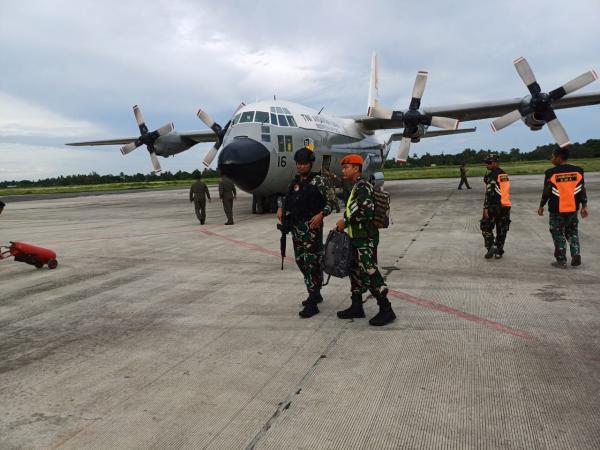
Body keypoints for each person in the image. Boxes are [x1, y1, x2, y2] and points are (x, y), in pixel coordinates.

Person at [335, 154, 396, 326]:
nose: (343, 170)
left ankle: (386, 309)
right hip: (356, 238)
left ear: (356, 168)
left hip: (365, 239)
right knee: (355, 272)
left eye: (346, 167)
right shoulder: (356, 186)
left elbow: (365, 211)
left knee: (369, 272)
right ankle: (356, 306)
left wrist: (344, 222)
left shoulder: (363, 187)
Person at [277, 147, 336, 318]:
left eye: (304, 164)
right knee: (300, 261)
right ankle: (315, 292)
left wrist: (321, 214)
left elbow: (332, 202)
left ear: (310, 164)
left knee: (311, 262)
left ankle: (312, 299)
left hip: (311, 229)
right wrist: (281, 208)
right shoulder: (295, 182)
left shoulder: (319, 181)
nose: (301, 167)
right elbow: (287, 198)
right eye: (299, 164)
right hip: (296, 229)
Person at [537, 146, 588, 268]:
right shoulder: (578, 171)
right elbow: (582, 190)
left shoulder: (551, 173)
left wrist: (541, 205)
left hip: (556, 210)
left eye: (553, 156)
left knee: (557, 233)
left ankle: (561, 260)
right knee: (572, 232)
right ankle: (576, 253)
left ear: (559, 157)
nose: (552, 159)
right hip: (572, 208)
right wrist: (584, 206)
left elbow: (546, 192)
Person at [480, 154, 511, 259]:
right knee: (502, 230)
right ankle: (499, 252)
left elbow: (490, 193)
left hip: (494, 206)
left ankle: (491, 246)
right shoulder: (504, 174)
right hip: (505, 206)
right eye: (486, 162)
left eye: (489, 162)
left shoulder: (492, 176)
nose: (486, 165)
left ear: (495, 163)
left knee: (485, 227)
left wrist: (485, 208)